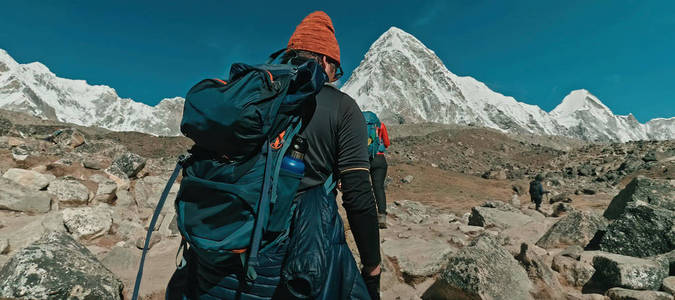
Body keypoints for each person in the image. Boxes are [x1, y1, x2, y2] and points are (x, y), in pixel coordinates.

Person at [284, 11, 382, 299]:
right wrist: (372, 265)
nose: (335, 78)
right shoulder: (343, 107)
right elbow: (358, 196)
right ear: (325, 60)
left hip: (237, 239)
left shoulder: (259, 96)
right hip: (308, 245)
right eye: (336, 71)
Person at [363, 112, 390, 228]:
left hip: (364, 159)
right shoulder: (380, 125)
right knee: (378, 187)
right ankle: (382, 216)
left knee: (365, 186)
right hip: (379, 159)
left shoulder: (360, 125)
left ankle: (367, 214)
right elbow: (387, 143)